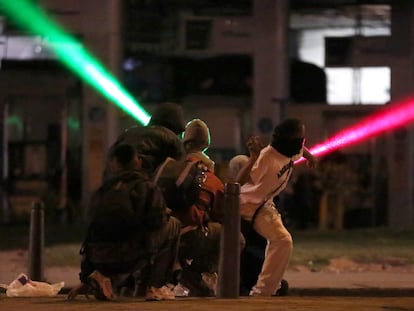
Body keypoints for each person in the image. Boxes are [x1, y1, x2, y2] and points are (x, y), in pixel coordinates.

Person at [67, 144, 181, 301]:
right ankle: (154, 286)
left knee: (122, 243)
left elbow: (89, 233)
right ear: (138, 162)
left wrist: (85, 275)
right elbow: (156, 224)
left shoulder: (102, 191)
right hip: (129, 257)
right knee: (173, 224)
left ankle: (102, 278)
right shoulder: (147, 187)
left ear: (114, 164)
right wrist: (164, 214)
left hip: (99, 260)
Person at [236, 118, 317, 297]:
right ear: (290, 141)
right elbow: (238, 182)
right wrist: (253, 158)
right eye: (299, 139)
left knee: (281, 240)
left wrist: (310, 156)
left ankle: (268, 284)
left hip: (265, 203)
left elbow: (300, 151)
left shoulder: (290, 151)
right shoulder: (267, 157)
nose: (301, 143)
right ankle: (263, 290)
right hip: (249, 206)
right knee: (282, 240)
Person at [174, 118, 245, 296]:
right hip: (187, 236)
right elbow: (222, 215)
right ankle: (195, 273)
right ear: (206, 144)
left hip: (165, 232)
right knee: (235, 238)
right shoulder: (210, 177)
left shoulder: (171, 167)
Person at [105, 102, 186, 179]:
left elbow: (110, 161)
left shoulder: (128, 133)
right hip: (146, 188)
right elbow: (180, 174)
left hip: (115, 186)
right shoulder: (171, 138)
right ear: (175, 126)